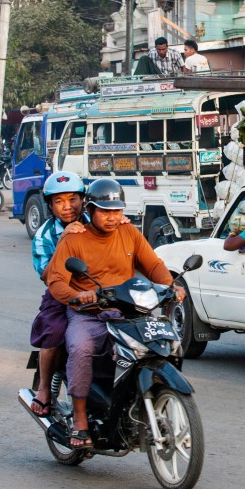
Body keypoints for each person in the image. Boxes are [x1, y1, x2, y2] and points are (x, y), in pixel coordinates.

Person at [45, 179, 184, 449]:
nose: (112, 217)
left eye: (116, 211)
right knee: (82, 347)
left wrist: (170, 285)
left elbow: (153, 265)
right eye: (105, 211)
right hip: (88, 313)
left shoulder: (129, 233)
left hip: (127, 310)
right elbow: (56, 280)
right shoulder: (74, 239)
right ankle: (81, 418)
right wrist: (76, 295)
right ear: (90, 209)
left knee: (157, 344)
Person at [29, 170, 90, 416]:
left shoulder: (95, 219)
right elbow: (46, 275)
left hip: (97, 288)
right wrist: (64, 240)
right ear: (50, 206)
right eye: (59, 201)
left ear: (82, 199)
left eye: (72, 199)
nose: (67, 207)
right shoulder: (44, 235)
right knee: (53, 331)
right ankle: (44, 390)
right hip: (59, 292)